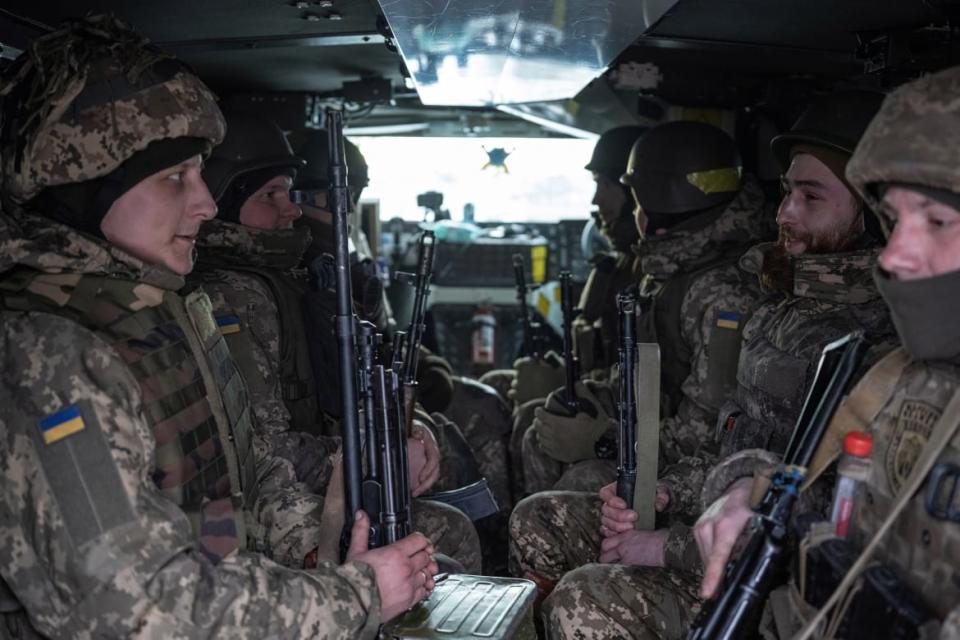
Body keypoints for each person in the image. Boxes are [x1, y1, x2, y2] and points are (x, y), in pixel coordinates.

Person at [0, 17, 434, 638]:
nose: (204, 203)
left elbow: (247, 477)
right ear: (85, 189)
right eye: (174, 177)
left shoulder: (170, 308)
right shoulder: (42, 351)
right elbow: (130, 608)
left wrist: (318, 548)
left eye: (201, 173)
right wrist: (354, 595)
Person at [535, 91, 897, 639]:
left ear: (871, 212)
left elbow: (838, 512)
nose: (784, 214)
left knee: (585, 595)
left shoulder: (879, 342)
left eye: (811, 197)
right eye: (786, 193)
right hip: (720, 541)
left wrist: (664, 544)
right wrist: (667, 493)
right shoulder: (778, 314)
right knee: (549, 520)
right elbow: (728, 447)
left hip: (782, 588)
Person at [693, 67, 960, 640]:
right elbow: (843, 501)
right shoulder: (906, 378)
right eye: (896, 220)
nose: (895, 256)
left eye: (937, 221)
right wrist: (748, 491)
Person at [191, 112, 482, 572]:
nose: (291, 210)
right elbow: (262, 450)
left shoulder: (301, 274)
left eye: (290, 192)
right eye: (272, 194)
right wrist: (373, 455)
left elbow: (374, 373)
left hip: (326, 473)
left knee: (453, 518)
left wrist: (411, 424)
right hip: (281, 498)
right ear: (226, 200)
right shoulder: (235, 294)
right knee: (444, 545)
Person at [521, 120, 773, 495]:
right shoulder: (669, 270)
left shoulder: (722, 294)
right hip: (654, 435)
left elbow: (706, 436)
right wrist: (590, 394)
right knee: (541, 428)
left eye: (635, 199)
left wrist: (603, 440)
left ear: (657, 206)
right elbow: (647, 379)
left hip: (695, 475)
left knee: (579, 483)